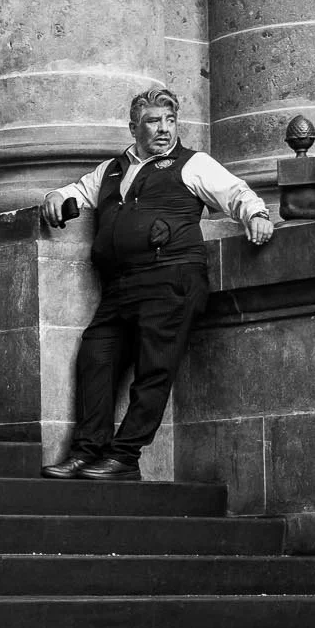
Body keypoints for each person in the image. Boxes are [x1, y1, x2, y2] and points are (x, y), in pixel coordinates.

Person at [38, 86, 273, 481]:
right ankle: (86, 451)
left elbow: (235, 191)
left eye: (170, 120)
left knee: (154, 370)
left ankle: (124, 457)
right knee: (96, 357)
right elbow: (79, 191)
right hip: (120, 284)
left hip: (171, 277)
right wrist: (55, 195)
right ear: (134, 128)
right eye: (153, 121)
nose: (164, 129)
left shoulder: (192, 163)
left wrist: (257, 215)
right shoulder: (112, 169)